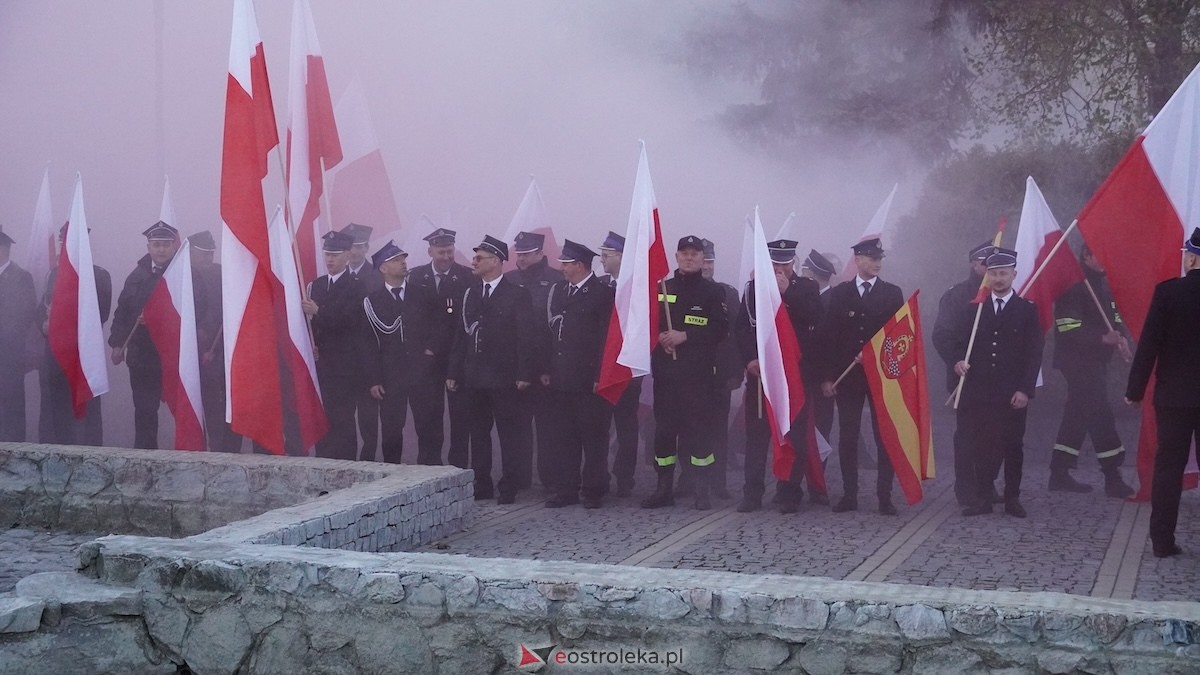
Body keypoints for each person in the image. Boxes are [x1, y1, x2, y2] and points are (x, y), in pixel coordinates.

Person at [1124, 228, 1200, 558]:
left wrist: (1134, 390)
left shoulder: (1168, 293)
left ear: (1192, 257)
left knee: (1168, 468)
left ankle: (1162, 541)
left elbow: (1149, 345)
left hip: (1174, 398)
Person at [952, 247, 1043, 518]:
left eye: (1003, 273)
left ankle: (1012, 497)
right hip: (980, 391)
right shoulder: (974, 310)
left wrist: (1025, 390)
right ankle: (983, 498)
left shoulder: (1026, 310)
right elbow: (959, 343)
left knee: (1013, 444)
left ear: (1014, 274)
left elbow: (1033, 353)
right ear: (987, 277)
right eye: (993, 274)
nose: (999, 279)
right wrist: (958, 361)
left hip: (1012, 392)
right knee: (983, 445)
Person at [816, 237, 904, 515]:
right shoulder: (840, 294)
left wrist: (877, 356)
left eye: (879, 259)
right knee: (848, 436)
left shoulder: (892, 293)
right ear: (858, 260)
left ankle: (884, 496)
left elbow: (898, 336)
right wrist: (827, 377)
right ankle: (849, 494)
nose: (877, 263)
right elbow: (828, 338)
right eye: (871, 258)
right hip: (848, 375)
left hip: (881, 377)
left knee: (884, 436)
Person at [447, 235, 537, 504]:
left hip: (505, 377)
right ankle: (481, 483)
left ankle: (509, 484)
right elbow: (461, 335)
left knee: (509, 435)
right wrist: (453, 371)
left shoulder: (517, 294)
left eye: (480, 258)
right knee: (478, 433)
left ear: (496, 261)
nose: (473, 262)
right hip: (474, 376)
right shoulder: (470, 292)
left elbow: (525, 337)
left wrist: (524, 373)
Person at [642, 235, 729, 510]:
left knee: (699, 433)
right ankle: (663, 487)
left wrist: (686, 336)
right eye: (684, 253)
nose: (689, 257)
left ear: (703, 259)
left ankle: (700, 488)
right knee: (665, 433)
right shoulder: (661, 288)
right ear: (676, 257)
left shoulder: (713, 292)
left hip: (698, 377)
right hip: (667, 377)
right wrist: (660, 339)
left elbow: (719, 329)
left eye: (695, 253)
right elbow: (646, 324)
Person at [735, 239, 823, 513]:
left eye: (784, 263)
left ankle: (789, 492)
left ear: (793, 263)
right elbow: (742, 329)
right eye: (774, 263)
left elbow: (816, 319)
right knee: (757, 437)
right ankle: (752, 493)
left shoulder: (807, 288)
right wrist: (750, 359)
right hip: (761, 377)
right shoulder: (753, 290)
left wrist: (788, 294)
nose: (779, 269)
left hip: (793, 378)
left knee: (793, 436)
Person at [1050, 245, 1135, 497]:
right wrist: (1102, 338)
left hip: (1095, 361)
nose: (1108, 259)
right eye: (1101, 254)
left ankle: (1059, 472)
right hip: (1076, 361)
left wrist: (1121, 338)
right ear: (1087, 257)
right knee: (1100, 412)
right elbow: (1067, 327)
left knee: (1078, 413)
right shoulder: (1075, 285)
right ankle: (1112, 475)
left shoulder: (1101, 284)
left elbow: (1114, 316)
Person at [543, 240, 614, 508]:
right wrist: (548, 369)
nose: (562, 267)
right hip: (562, 378)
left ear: (579, 265)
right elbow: (552, 335)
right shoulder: (560, 291)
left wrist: (599, 375)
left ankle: (594, 489)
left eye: (566, 263)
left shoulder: (602, 294)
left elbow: (605, 339)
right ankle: (566, 489)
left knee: (593, 437)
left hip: (589, 380)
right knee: (565, 437)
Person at [360, 241, 441, 464]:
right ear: (383, 268)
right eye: (396, 260)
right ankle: (393, 473)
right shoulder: (372, 302)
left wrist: (430, 351)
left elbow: (439, 324)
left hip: (422, 373)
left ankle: (430, 470)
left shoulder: (423, 294)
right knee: (392, 428)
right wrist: (374, 379)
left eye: (403, 259)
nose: (403, 263)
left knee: (427, 425)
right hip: (390, 375)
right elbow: (369, 344)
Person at [932, 240, 997, 506]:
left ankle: (987, 483)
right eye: (985, 264)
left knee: (993, 436)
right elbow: (942, 334)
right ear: (974, 264)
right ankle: (966, 488)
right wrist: (955, 360)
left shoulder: (1002, 293)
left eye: (994, 265)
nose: (990, 269)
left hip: (995, 378)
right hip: (966, 377)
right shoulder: (957, 295)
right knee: (968, 435)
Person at [38, 223, 112, 445]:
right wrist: (44, 322)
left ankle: (92, 452)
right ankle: (58, 449)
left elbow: (101, 314)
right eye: (66, 241)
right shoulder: (54, 274)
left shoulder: (99, 275)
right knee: (56, 405)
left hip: (85, 353)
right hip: (57, 352)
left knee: (88, 406)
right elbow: (41, 307)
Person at [109, 221, 180, 449]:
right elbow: (122, 311)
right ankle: (145, 456)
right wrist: (117, 344)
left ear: (174, 247)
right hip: (142, 355)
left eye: (166, 245)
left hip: (174, 354)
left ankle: (191, 454)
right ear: (148, 247)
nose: (161, 250)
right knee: (145, 408)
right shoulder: (136, 276)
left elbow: (196, 307)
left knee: (184, 406)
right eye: (156, 245)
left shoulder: (183, 275)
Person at [409, 226, 474, 467]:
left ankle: (457, 467)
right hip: (426, 361)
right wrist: (424, 348)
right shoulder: (415, 277)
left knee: (460, 419)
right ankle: (429, 466)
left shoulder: (468, 277)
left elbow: (463, 321)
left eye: (449, 251)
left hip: (455, 358)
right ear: (430, 252)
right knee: (429, 417)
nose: (446, 257)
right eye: (441, 252)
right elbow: (412, 319)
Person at [507, 230, 564, 490]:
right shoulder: (509, 280)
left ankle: (550, 479)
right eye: (519, 254)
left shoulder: (556, 279)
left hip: (544, 370)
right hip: (515, 368)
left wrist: (548, 366)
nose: (522, 259)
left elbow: (557, 329)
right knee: (517, 430)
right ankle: (519, 478)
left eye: (527, 254)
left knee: (548, 430)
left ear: (541, 253)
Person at [303, 230, 367, 460]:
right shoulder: (316, 286)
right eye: (327, 254)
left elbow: (349, 320)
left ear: (348, 255)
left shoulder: (356, 286)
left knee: (342, 420)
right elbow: (309, 325)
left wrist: (319, 311)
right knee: (322, 419)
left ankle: (346, 465)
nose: (330, 259)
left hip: (345, 366)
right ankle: (324, 464)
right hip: (321, 364)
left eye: (335, 254)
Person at [598, 230, 643, 497]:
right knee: (600, 426)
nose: (602, 260)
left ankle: (625, 475)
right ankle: (599, 474)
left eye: (606, 256)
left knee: (627, 426)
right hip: (603, 366)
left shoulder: (637, 289)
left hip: (628, 366)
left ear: (622, 257)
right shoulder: (601, 287)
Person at [187, 231, 240, 453]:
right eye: (202, 254)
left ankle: (223, 447)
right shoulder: (182, 274)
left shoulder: (221, 273)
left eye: (210, 254)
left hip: (217, 348)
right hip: (190, 350)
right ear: (190, 253)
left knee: (220, 401)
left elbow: (224, 310)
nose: (207, 259)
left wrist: (210, 342)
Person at [340, 222, 382, 461]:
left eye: (359, 247)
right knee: (344, 418)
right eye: (351, 247)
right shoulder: (337, 278)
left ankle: (368, 460)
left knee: (368, 420)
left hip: (368, 360)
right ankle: (347, 461)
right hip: (343, 360)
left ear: (366, 248)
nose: (354, 252)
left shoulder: (376, 277)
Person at [0, 226, 37, 441]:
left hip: (9, 356)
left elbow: (22, 316)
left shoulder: (21, 277)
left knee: (10, 407)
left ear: (4, 249)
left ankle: (13, 453)